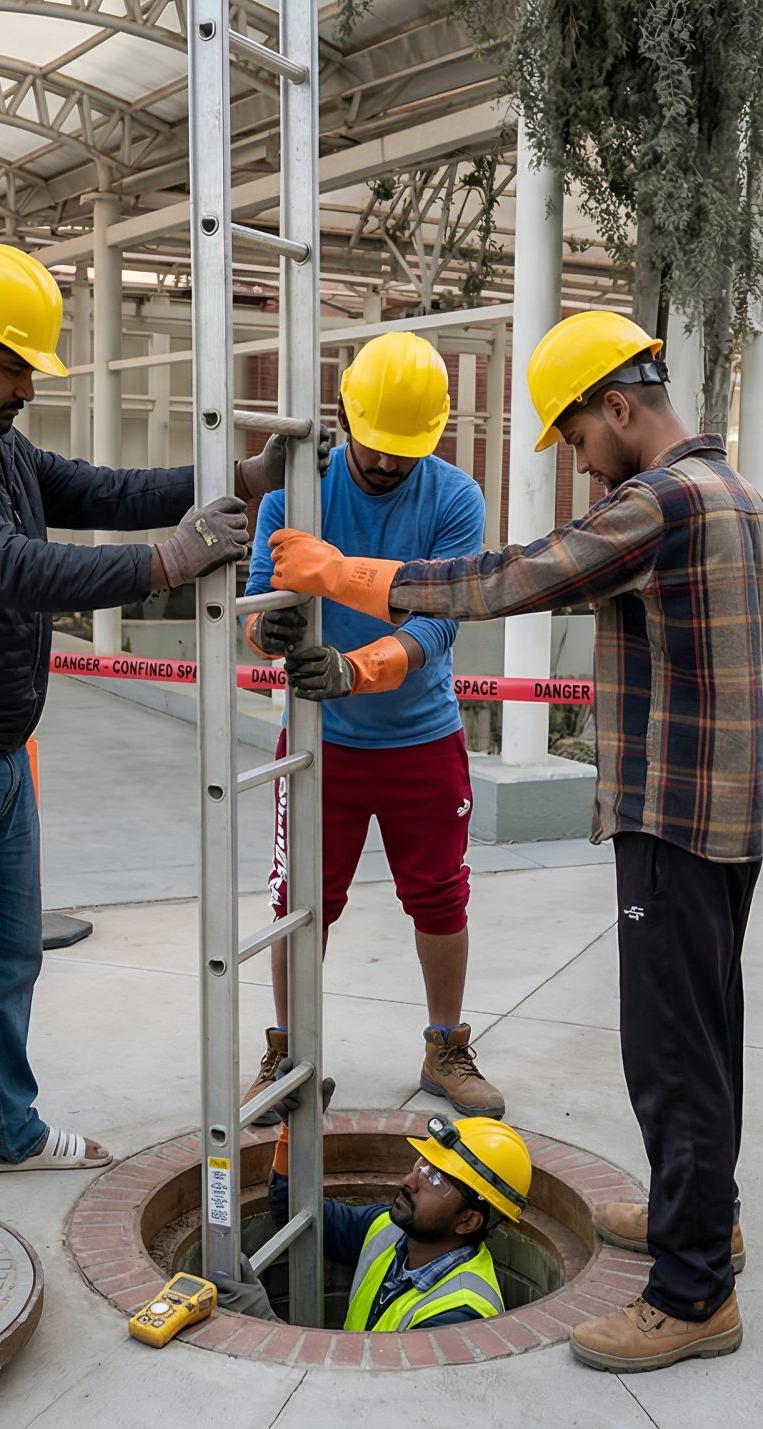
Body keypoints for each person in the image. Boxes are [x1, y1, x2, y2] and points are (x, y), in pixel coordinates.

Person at [263, 309, 763, 1373]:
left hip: (674, 817)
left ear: (618, 407)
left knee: (670, 1055)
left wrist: (344, 577)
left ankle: (691, 1294)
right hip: (725, 814)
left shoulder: (665, 502)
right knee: (707, 1031)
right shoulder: (732, 492)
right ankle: (705, 1215)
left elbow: (506, 581)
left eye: (577, 440)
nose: (581, 466)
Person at [0, 240, 286, 1196]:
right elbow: (11, 568)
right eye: (13, 368)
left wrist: (237, 479)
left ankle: (3, 1129)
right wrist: (166, 563)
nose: (26, 390)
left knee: (3, 965)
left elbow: (100, 491)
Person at [239, 331, 500, 1124]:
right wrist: (267, 634)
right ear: (346, 415)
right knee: (299, 900)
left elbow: (442, 621)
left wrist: (361, 668)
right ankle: (289, 1050)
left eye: (405, 450)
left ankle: (445, 1047)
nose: (387, 463)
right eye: (375, 445)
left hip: (422, 736)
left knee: (440, 896)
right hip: (322, 750)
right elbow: (257, 596)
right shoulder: (298, 493)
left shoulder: (454, 497)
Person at [207, 1114, 530, 1331]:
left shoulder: (459, 1313)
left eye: (434, 1180)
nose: (409, 1180)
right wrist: (297, 1127)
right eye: (421, 1165)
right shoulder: (391, 1232)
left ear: (469, 1220)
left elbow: (367, 1395)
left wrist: (265, 1325)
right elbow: (293, 1216)